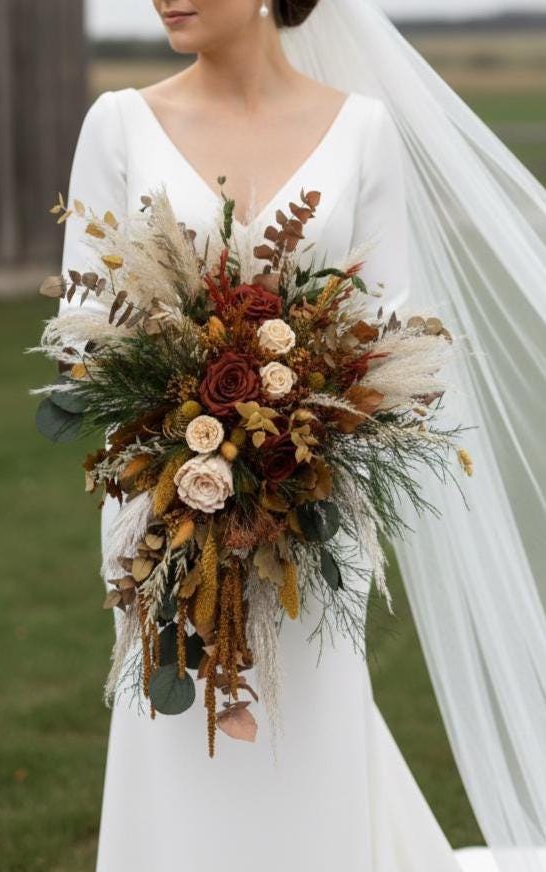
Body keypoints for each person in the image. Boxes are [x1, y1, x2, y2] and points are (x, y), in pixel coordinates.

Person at [58, 2, 546, 870]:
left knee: (308, 719)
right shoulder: (120, 122)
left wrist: (299, 435)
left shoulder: (362, 130)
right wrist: (171, 427)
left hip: (310, 504)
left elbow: (389, 325)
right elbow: (81, 328)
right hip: (161, 503)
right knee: (177, 734)